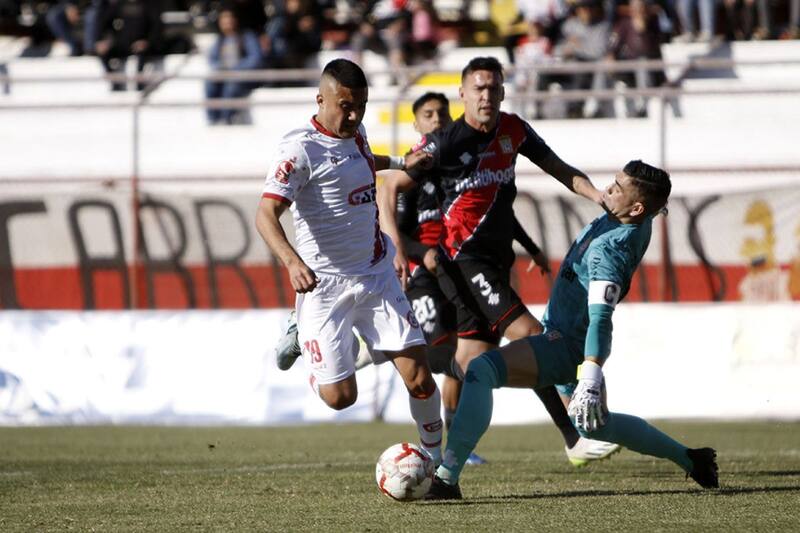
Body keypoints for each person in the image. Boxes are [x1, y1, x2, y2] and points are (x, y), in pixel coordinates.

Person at [425, 161, 720, 499]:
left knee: (482, 370)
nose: (609, 190)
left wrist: (591, 373)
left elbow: (601, 318)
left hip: (563, 345)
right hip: (568, 339)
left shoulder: (609, 252)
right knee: (597, 425)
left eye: (618, 188)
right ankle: (691, 459)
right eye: (614, 182)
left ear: (636, 208)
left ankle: (446, 478)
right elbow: (646, 206)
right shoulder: (633, 218)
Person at [379, 57, 620, 467]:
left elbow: (558, 168)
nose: (486, 96)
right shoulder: (446, 141)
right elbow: (390, 187)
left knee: (469, 363)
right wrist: (396, 246)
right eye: (478, 88)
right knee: (535, 338)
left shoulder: (514, 130)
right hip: (466, 263)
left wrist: (597, 195)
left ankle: (389, 357)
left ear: (503, 92)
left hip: (495, 261)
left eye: (493, 88)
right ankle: (572, 437)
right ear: (463, 94)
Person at [257, 58, 444, 463]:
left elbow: (360, 158)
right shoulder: (298, 149)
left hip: (375, 275)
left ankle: (439, 469)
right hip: (324, 286)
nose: (355, 115)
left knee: (420, 379)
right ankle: (302, 335)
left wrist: (399, 163)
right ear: (320, 99)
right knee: (341, 398)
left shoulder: (355, 132)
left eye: (360, 105)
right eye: (346, 106)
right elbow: (265, 215)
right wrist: (291, 262)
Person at [378, 91, 551, 466]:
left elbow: (495, 211)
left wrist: (530, 246)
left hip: (457, 269)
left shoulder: (455, 164)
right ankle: (376, 351)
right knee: (439, 349)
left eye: (442, 113)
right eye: (428, 114)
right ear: (416, 124)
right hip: (423, 275)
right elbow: (391, 223)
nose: (437, 120)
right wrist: (412, 253)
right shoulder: (412, 176)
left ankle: (456, 437)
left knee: (464, 349)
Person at [205, 7, 262, 125]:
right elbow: (212, 60)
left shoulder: (246, 36)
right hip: (224, 74)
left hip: (243, 76)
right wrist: (221, 68)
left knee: (231, 86)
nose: (227, 22)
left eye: (229, 19)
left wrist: (235, 69)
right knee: (209, 83)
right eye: (224, 20)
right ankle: (213, 120)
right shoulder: (220, 40)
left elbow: (255, 58)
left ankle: (226, 119)